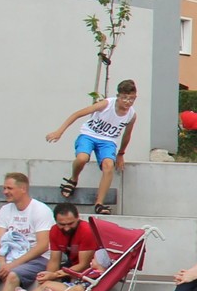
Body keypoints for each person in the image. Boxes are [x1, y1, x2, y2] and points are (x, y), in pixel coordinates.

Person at [14, 202, 112, 291]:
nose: (66, 228)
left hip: (87, 268)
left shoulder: (86, 230)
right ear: (55, 221)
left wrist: (54, 276)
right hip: (71, 264)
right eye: (62, 224)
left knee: (74, 279)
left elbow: (83, 264)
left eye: (70, 223)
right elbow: (54, 260)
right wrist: (49, 275)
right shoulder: (54, 231)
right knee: (43, 281)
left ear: (78, 218)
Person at [46, 78, 138, 214]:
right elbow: (77, 114)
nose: (128, 102)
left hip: (108, 141)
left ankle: (99, 203)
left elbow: (127, 135)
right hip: (89, 134)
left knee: (108, 166)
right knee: (82, 158)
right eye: (124, 98)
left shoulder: (131, 115)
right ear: (118, 96)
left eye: (131, 99)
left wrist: (121, 154)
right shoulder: (106, 104)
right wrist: (59, 131)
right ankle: (73, 179)